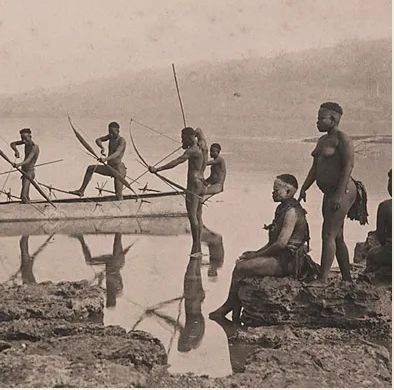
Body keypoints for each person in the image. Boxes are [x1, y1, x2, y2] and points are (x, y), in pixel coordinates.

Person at [209, 174, 319, 323]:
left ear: (288, 191)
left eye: (276, 190)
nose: (273, 193)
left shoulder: (291, 212)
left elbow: (281, 244)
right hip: (281, 257)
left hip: (289, 261)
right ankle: (235, 315)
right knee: (242, 263)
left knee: (241, 268)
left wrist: (256, 255)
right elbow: (273, 243)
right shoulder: (282, 208)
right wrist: (255, 253)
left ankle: (228, 306)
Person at [298, 102, 368, 284]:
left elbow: (348, 166)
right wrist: (304, 187)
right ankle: (347, 278)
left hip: (343, 189)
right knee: (337, 235)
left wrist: (339, 194)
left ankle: (323, 279)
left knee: (328, 234)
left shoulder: (343, 139)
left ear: (334, 119)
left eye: (321, 118)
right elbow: (315, 168)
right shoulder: (322, 141)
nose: (317, 122)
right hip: (330, 192)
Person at [149, 127, 207, 256]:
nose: (181, 140)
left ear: (189, 137)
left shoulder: (193, 150)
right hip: (202, 184)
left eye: (183, 138)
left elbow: (177, 161)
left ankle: (196, 248)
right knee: (198, 215)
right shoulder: (203, 145)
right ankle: (198, 247)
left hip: (193, 184)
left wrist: (158, 169)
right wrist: (192, 137)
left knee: (192, 215)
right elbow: (199, 130)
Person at [70, 122, 128, 200]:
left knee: (118, 195)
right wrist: (102, 148)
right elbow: (98, 140)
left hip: (118, 170)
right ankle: (81, 191)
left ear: (118, 131)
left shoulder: (121, 140)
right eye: (109, 132)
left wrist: (105, 159)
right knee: (91, 168)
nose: (111, 134)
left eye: (113, 132)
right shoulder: (110, 136)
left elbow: (117, 153)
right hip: (109, 168)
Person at [75, 233, 127, 307]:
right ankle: (118, 232)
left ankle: (81, 238)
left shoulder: (107, 293)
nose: (109, 298)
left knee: (89, 261)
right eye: (111, 300)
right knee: (117, 241)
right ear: (114, 300)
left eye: (108, 300)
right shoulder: (118, 290)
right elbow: (113, 279)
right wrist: (103, 276)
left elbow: (99, 287)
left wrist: (100, 279)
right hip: (117, 263)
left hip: (108, 263)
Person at [366, 169, 391, 271]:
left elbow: (381, 236)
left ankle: (374, 275)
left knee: (371, 253)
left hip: (390, 252)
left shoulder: (384, 206)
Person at [9, 128, 40, 203]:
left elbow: (28, 160)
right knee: (24, 196)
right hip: (24, 171)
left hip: (29, 172)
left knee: (24, 196)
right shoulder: (25, 142)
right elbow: (12, 143)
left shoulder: (34, 147)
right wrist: (16, 151)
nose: (24, 141)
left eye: (25, 138)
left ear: (30, 137)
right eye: (22, 138)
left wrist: (19, 164)